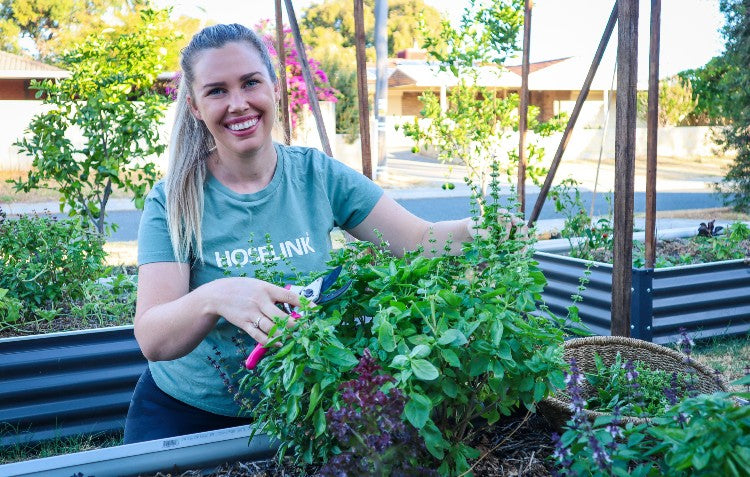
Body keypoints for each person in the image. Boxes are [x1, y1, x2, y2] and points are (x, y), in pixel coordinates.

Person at [124, 23, 501, 444]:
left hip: (302, 400)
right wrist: (216, 296)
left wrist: (475, 231)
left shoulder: (316, 174)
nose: (238, 103)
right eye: (216, 91)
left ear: (275, 88)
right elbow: (154, 338)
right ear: (194, 107)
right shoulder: (174, 198)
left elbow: (416, 239)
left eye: (250, 82)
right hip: (187, 411)